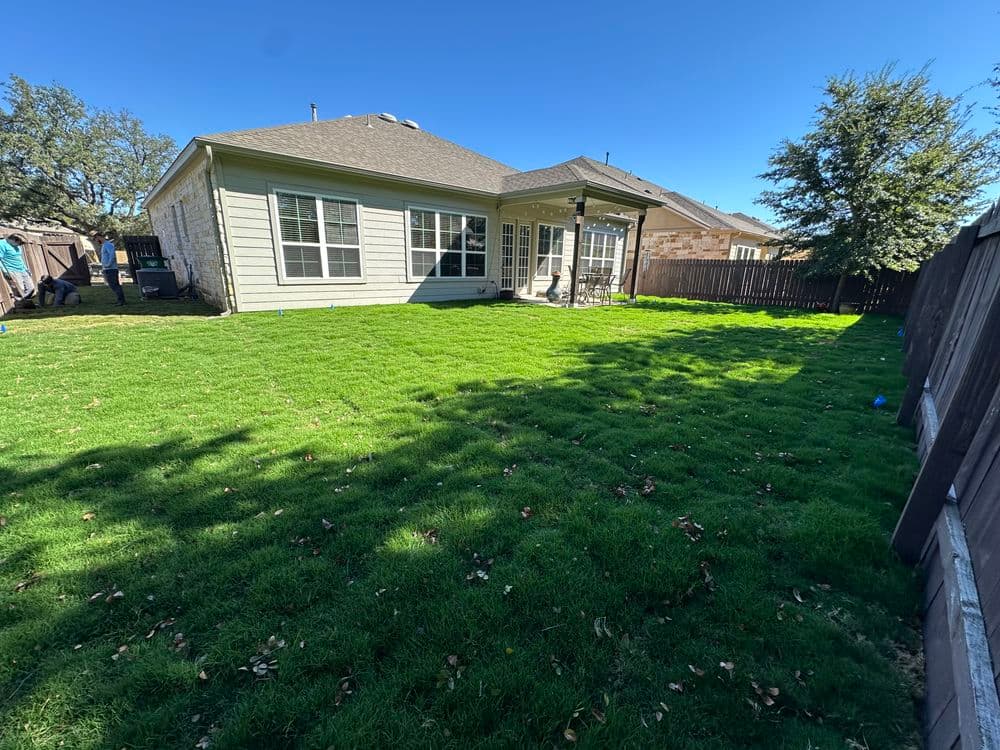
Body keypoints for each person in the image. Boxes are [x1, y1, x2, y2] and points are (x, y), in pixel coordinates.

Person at [0, 233, 36, 301]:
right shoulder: (2, 244)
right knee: (19, 290)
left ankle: (25, 303)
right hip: (12, 270)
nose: (20, 245)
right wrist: (5, 271)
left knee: (31, 288)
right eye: (20, 244)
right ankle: (21, 306)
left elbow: (19, 258)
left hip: (22, 270)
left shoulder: (17, 246)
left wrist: (26, 269)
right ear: (14, 240)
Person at [97, 233, 126, 306]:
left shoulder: (108, 245)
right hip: (107, 268)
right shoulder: (103, 245)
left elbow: (112, 255)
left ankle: (121, 301)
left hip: (111, 268)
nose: (97, 241)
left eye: (96, 239)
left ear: (100, 237)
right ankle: (119, 300)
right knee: (112, 284)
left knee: (114, 284)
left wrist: (108, 264)